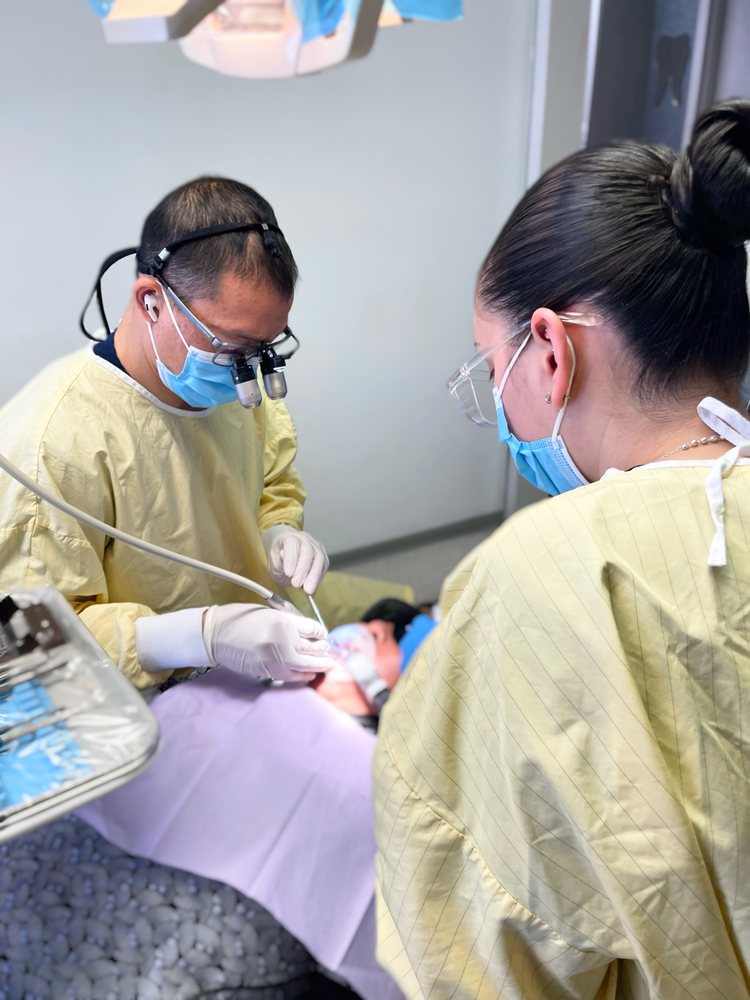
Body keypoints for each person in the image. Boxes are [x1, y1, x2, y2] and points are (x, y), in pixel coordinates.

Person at [373, 100, 750, 998]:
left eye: (487, 365)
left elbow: (477, 946)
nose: (499, 408)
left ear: (548, 350)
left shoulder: (539, 573)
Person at [0, 176, 402, 999]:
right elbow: (41, 659)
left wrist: (282, 530)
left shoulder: (229, 384)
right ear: (149, 299)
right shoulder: (50, 442)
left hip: (248, 664)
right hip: (131, 719)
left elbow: (271, 477)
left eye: (268, 351)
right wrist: (199, 635)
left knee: (398, 801)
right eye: (232, 351)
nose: (250, 376)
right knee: (355, 826)